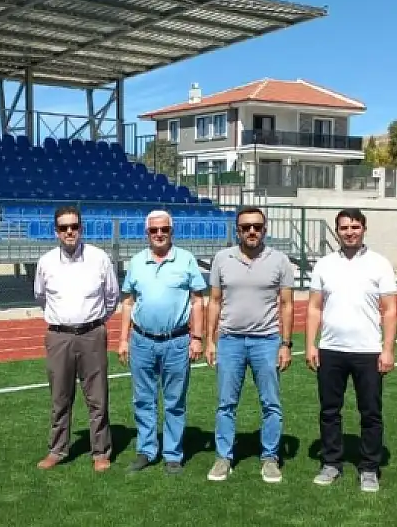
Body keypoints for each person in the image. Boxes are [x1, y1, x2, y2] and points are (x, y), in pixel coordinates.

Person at [305, 207, 397, 493]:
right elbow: (313, 307)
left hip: (368, 351)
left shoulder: (380, 264)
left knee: (370, 412)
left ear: (363, 229)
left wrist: (388, 350)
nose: (350, 232)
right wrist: (310, 344)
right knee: (329, 411)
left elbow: (390, 310)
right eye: (344, 228)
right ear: (337, 231)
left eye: (355, 227)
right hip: (331, 350)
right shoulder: (324, 265)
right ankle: (332, 463)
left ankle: (369, 467)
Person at [204, 206, 295, 484]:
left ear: (264, 229)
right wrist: (210, 340)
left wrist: (286, 344)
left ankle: (270, 458)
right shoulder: (222, 258)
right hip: (230, 341)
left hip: (267, 341)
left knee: (271, 404)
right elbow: (215, 301)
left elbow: (287, 304)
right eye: (246, 227)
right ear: (237, 230)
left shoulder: (280, 260)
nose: (252, 231)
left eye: (257, 226)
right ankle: (224, 457)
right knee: (225, 404)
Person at [116, 210, 206, 475]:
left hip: (177, 341)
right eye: (154, 230)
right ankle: (146, 450)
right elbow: (128, 302)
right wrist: (123, 339)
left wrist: (197, 338)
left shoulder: (186, 260)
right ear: (147, 233)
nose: (159, 234)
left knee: (174, 401)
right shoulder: (136, 261)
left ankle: (173, 454)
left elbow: (198, 300)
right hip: (141, 340)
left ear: (171, 232)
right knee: (143, 399)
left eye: (164, 230)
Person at [33, 205, 120, 472]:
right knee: (60, 397)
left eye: (74, 226)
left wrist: (94, 323)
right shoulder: (46, 262)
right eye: (63, 228)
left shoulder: (99, 258)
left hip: (92, 334)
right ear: (56, 231)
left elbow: (112, 297)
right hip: (59, 336)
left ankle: (101, 452)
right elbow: (40, 297)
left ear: (81, 228)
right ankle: (57, 450)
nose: (69, 232)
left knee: (97, 398)